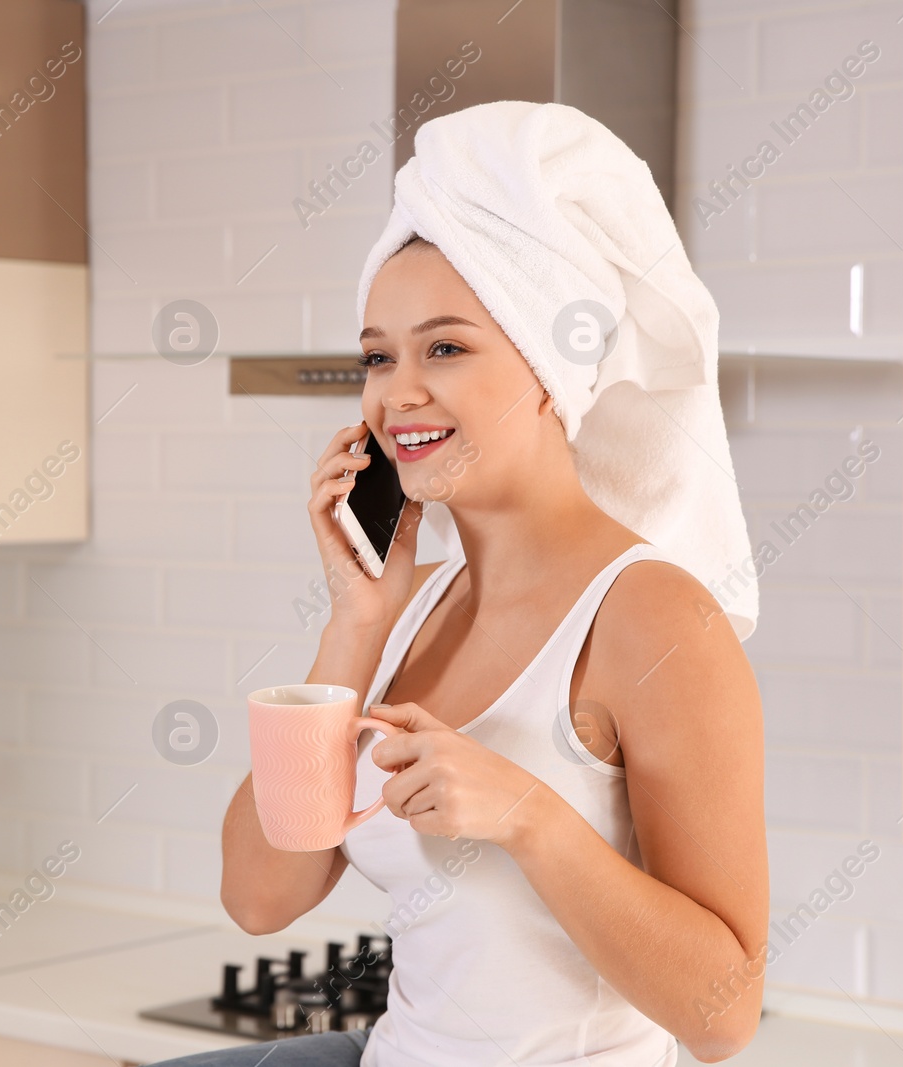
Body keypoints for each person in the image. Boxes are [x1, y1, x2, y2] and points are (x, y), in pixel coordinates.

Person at [155, 104, 767, 1067]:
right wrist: (356, 622)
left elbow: (724, 1015)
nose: (397, 392)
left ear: (549, 366)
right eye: (376, 355)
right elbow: (260, 895)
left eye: (445, 347)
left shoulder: (654, 617)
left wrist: (528, 814)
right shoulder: (413, 601)